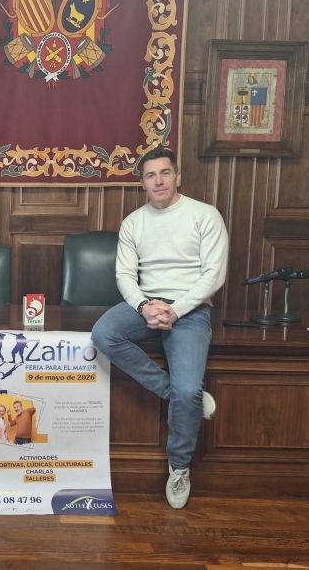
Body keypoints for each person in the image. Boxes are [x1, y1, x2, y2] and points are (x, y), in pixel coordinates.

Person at [91, 147, 228, 510]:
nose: (159, 181)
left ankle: (179, 467)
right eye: (151, 175)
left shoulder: (205, 215)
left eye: (165, 173)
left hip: (190, 309)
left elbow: (213, 275)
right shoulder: (134, 222)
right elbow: (124, 274)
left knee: (189, 389)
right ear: (143, 183)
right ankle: (176, 395)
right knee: (103, 333)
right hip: (147, 304)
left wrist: (176, 310)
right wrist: (144, 306)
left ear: (177, 176)